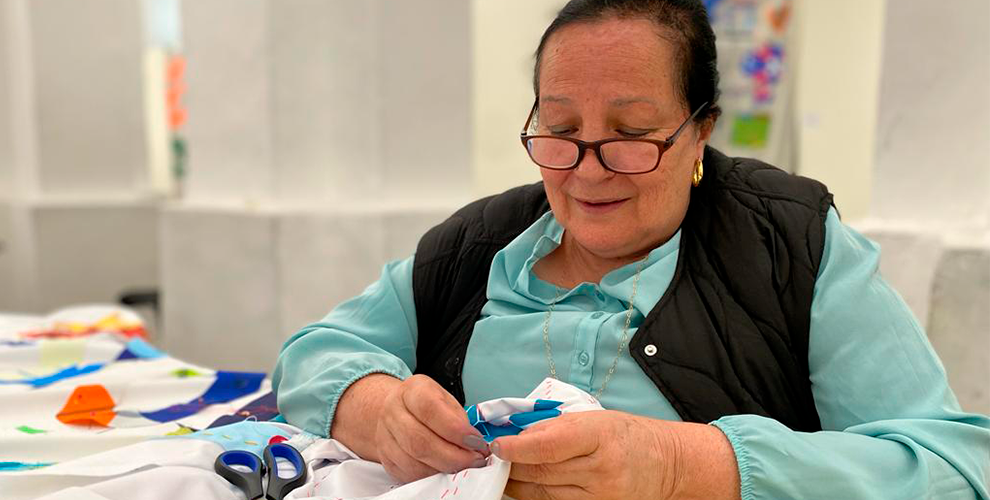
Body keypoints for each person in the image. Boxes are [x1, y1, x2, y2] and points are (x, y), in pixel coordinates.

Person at [272, 1, 990, 498]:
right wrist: (375, 409)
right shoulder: (480, 247)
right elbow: (313, 353)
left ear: (700, 131)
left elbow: (955, 467)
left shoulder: (790, 245)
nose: (586, 169)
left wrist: (693, 469)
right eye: (559, 128)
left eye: (631, 133)